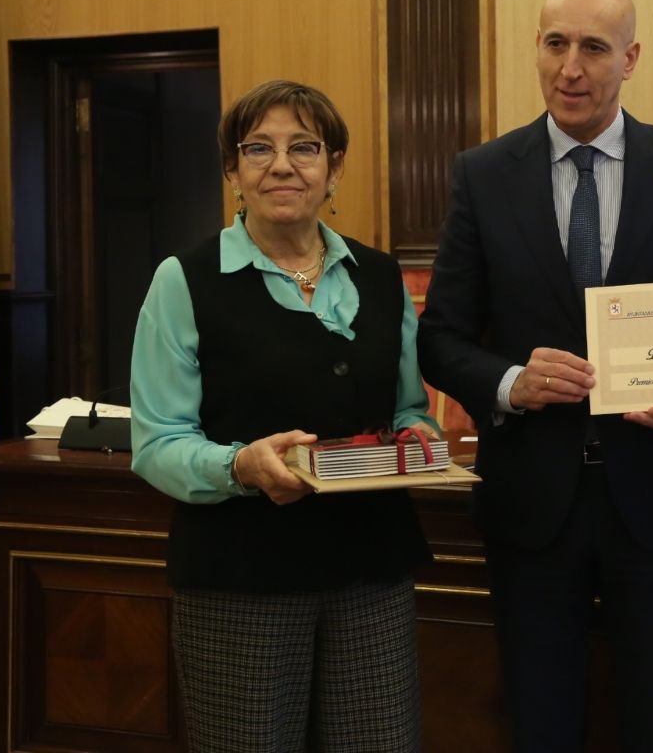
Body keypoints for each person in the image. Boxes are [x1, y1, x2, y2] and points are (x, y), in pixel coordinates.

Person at [418, 0, 653, 751]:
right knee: (541, 722)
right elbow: (440, 337)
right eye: (554, 42)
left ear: (628, 59)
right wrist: (510, 384)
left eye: (593, 47)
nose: (571, 66)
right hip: (533, 506)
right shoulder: (484, 174)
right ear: (537, 48)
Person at [130, 79, 439, 753]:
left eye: (305, 147)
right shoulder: (184, 279)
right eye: (258, 148)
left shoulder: (383, 277)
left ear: (334, 167)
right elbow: (156, 444)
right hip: (241, 577)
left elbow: (409, 410)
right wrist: (240, 465)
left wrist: (420, 441)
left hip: (371, 572)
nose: (281, 164)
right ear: (232, 172)